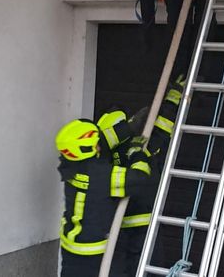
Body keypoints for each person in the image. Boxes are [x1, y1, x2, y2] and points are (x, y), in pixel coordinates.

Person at [97, 76, 185, 277]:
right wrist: (173, 99)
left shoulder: (100, 157)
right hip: (144, 225)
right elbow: (162, 129)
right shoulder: (139, 147)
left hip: (118, 230)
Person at [56, 119, 156, 277]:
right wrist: (136, 153)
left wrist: (129, 126)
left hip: (71, 249)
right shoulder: (105, 175)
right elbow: (140, 177)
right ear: (88, 147)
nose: (99, 146)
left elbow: (104, 140)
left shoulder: (68, 166)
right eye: (96, 143)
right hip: (98, 254)